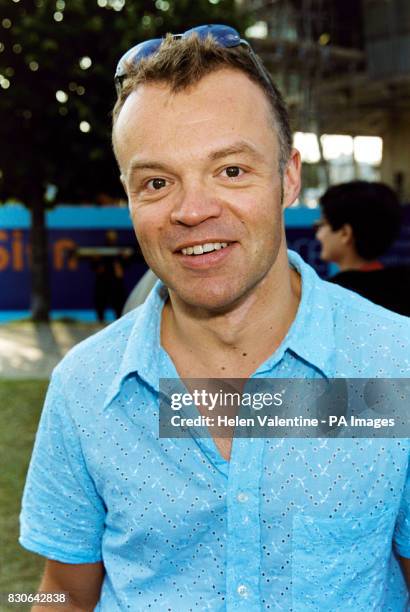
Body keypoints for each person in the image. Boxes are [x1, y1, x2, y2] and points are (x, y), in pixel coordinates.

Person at [19, 25, 410, 611]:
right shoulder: (85, 387)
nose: (193, 211)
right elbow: (62, 597)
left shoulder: (393, 365)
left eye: (230, 170)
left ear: (288, 176)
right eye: (156, 182)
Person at [316, 180, 410, 315]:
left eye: (322, 224)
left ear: (345, 233)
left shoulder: (330, 296)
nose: (319, 235)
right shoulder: (403, 286)